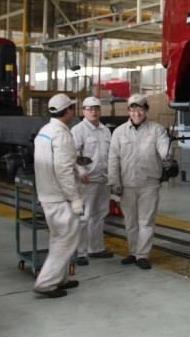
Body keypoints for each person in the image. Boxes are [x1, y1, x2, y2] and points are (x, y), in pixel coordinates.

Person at [108, 94, 170, 270]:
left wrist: (168, 155)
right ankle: (133, 252)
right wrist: (114, 181)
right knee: (130, 221)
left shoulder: (156, 130)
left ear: (146, 110)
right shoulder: (119, 132)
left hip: (149, 183)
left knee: (146, 221)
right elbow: (113, 158)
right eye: (133, 109)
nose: (137, 113)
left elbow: (163, 146)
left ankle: (142, 255)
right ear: (128, 111)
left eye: (140, 109)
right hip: (126, 184)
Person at [33, 94, 83, 298]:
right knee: (66, 239)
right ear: (68, 111)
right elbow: (63, 170)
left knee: (58, 237)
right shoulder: (61, 134)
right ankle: (46, 282)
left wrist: (78, 168)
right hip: (59, 196)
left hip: (47, 193)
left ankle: (60, 278)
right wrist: (75, 198)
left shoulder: (45, 131)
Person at [71, 96, 113, 266]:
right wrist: (81, 171)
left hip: (103, 179)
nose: (94, 111)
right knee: (83, 216)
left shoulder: (105, 130)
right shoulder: (78, 130)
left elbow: (111, 154)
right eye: (90, 109)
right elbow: (73, 153)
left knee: (99, 214)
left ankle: (95, 248)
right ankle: (80, 252)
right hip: (86, 181)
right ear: (84, 111)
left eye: (96, 108)